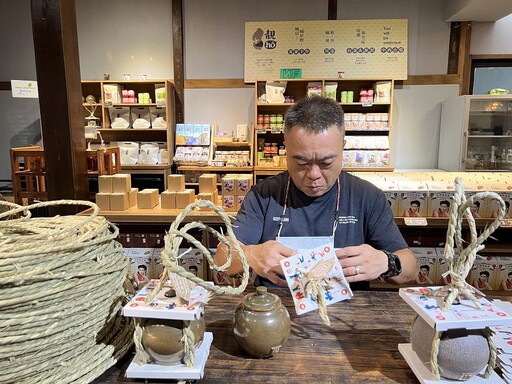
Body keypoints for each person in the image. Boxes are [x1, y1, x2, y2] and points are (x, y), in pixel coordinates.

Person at [214, 96, 416, 289]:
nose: (314, 174)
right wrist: (250, 254)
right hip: (275, 311)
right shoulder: (264, 195)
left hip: (348, 314)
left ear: (343, 148)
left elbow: (411, 269)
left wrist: (387, 262)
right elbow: (222, 258)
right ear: (286, 149)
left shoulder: (367, 196)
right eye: (301, 162)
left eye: (326, 162)